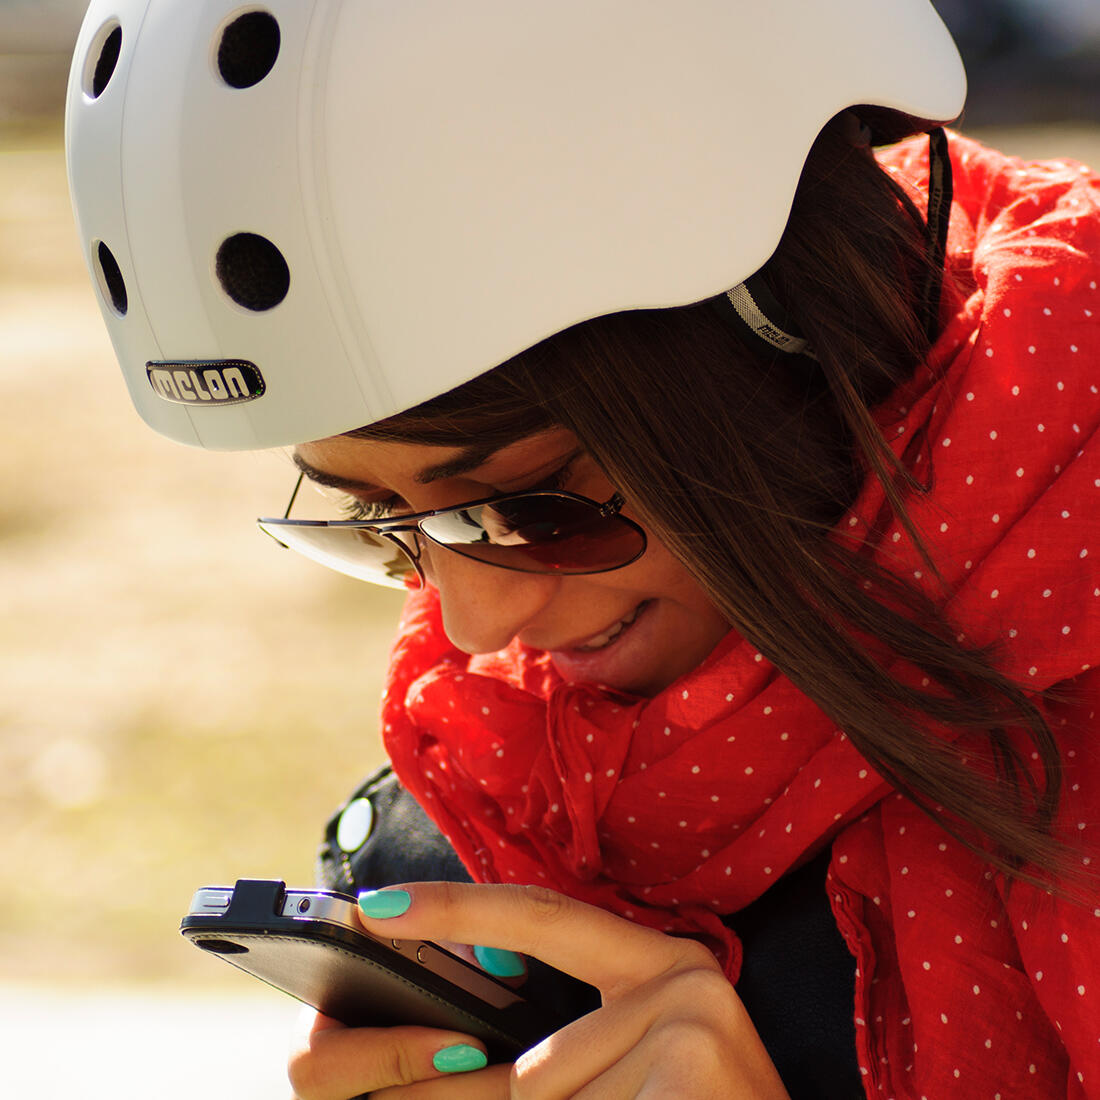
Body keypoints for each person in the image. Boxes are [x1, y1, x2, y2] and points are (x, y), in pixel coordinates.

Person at [65, 1, 1099, 1096]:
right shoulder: (483, 829)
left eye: (525, 510)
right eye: (384, 526)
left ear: (782, 332)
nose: (472, 624)